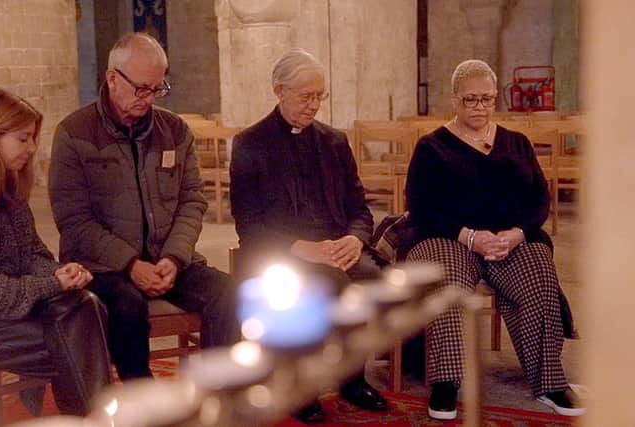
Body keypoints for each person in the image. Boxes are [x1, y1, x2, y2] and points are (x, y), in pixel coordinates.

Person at [48, 33, 238, 381]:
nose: (149, 99)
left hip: (168, 259)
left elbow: (192, 200)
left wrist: (173, 258)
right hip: (103, 268)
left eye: (157, 88)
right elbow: (74, 221)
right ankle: (143, 401)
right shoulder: (74, 133)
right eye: (141, 89)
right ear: (112, 78)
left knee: (229, 293)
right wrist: (130, 264)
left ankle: (216, 394)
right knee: (127, 307)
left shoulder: (174, 130)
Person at [404, 59, 585, 420]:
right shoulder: (432, 147)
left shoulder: (516, 143)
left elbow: (539, 200)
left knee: (538, 274)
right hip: (450, 237)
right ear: (454, 100)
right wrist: (471, 237)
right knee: (447, 280)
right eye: (471, 99)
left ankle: (549, 382)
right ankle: (446, 384)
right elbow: (421, 207)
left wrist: (518, 234)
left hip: (510, 239)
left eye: (487, 99)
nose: (480, 107)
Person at [230, 48, 387, 423]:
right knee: (328, 283)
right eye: (306, 95)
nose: (314, 104)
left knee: (372, 278)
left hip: (336, 246)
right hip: (278, 251)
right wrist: (303, 249)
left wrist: (355, 239)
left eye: (319, 95)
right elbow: (248, 224)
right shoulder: (250, 144)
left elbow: (359, 209)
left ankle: (352, 378)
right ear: (279, 91)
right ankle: (301, 384)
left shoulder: (334, 142)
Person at [0, 87, 112, 416]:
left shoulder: (10, 192)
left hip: (10, 312)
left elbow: (34, 253)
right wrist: (53, 285)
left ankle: (91, 419)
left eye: (33, 138)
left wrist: (63, 273)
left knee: (85, 308)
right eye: (23, 139)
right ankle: (98, 418)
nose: (32, 148)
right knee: (83, 331)